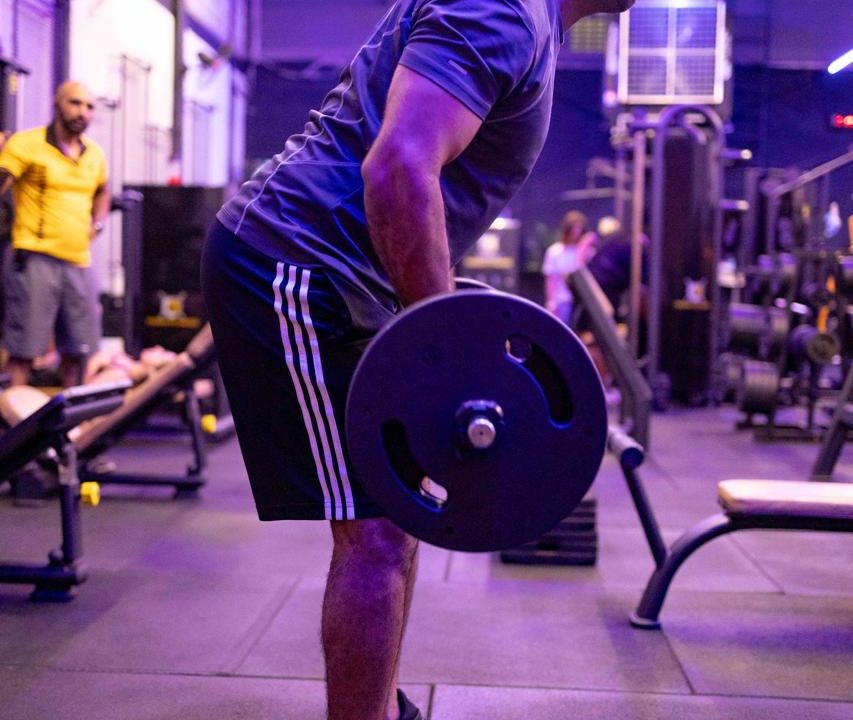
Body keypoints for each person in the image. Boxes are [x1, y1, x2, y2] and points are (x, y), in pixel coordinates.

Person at [201, 2, 635, 719]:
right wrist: (452, 351)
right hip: (299, 262)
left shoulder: (531, 23)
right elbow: (399, 166)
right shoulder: (503, 9)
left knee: (394, 517)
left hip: (343, 272)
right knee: (377, 528)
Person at [0, 81, 109, 387]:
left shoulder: (94, 154)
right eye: (75, 103)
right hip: (34, 259)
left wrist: (97, 225)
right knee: (23, 352)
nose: (83, 112)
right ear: (57, 103)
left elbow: (103, 191)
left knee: (78, 353)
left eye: (89, 107)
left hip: (78, 262)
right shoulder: (26, 144)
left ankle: (72, 418)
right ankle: (11, 415)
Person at [542, 209, 595, 323]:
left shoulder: (586, 252)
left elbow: (583, 274)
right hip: (561, 299)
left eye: (579, 229)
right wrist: (551, 302)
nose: (576, 232)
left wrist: (583, 247)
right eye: (574, 228)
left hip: (583, 301)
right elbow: (551, 279)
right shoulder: (555, 251)